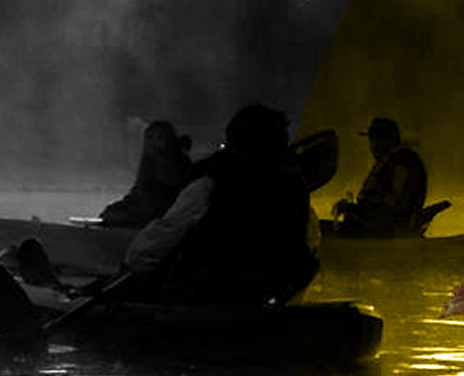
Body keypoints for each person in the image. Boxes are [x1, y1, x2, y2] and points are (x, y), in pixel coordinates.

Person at [119, 103, 318, 307]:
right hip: (263, 302)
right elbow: (306, 252)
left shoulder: (212, 185)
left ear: (233, 139)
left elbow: (147, 250)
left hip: (202, 301)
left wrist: (131, 266)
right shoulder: (293, 192)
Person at [330, 116, 428, 237]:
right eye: (371, 139)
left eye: (376, 138)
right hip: (377, 226)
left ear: (389, 139)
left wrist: (353, 210)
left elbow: (395, 207)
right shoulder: (389, 162)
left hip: (389, 232)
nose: (372, 145)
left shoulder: (402, 163)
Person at [98, 120, 193, 228]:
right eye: (149, 138)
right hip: (149, 211)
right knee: (111, 212)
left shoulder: (171, 163)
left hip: (163, 216)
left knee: (115, 215)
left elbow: (162, 199)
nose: (153, 143)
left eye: (159, 138)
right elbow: (140, 192)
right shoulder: (151, 161)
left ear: (169, 141)